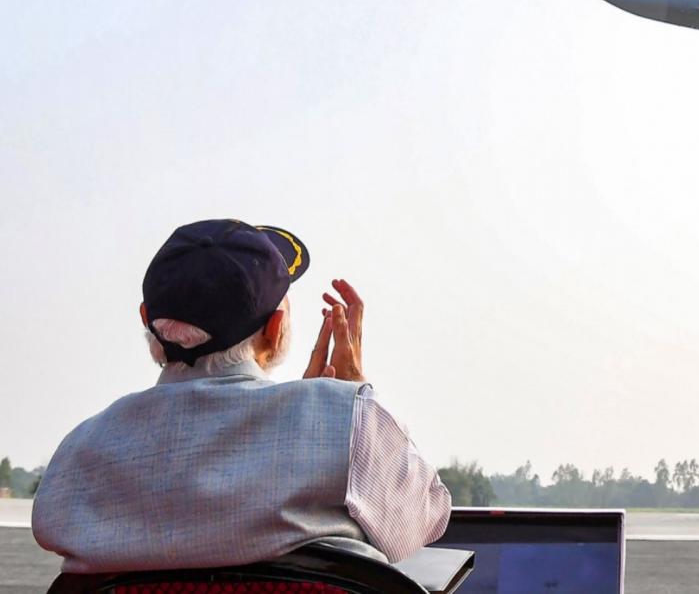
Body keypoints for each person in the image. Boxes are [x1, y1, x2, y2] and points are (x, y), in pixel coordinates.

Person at [32, 219, 451, 573]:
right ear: (274, 327)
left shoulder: (78, 453)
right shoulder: (348, 422)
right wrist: (350, 402)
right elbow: (419, 522)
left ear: (147, 319)